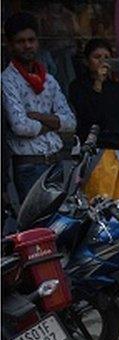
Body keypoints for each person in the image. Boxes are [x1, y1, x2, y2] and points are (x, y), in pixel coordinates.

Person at [1, 12, 76, 204]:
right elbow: (20, 127)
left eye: (31, 40)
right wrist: (53, 122)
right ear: (9, 45)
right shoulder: (7, 80)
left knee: (60, 225)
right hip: (29, 166)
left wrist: (38, 117)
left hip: (56, 162)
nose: (27, 45)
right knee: (37, 231)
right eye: (20, 41)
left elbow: (70, 123)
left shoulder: (49, 80)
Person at [69, 38, 119, 199]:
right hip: (94, 154)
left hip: (118, 152)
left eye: (106, 57)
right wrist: (98, 83)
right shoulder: (79, 86)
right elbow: (90, 115)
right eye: (97, 57)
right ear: (86, 61)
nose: (103, 62)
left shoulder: (118, 88)